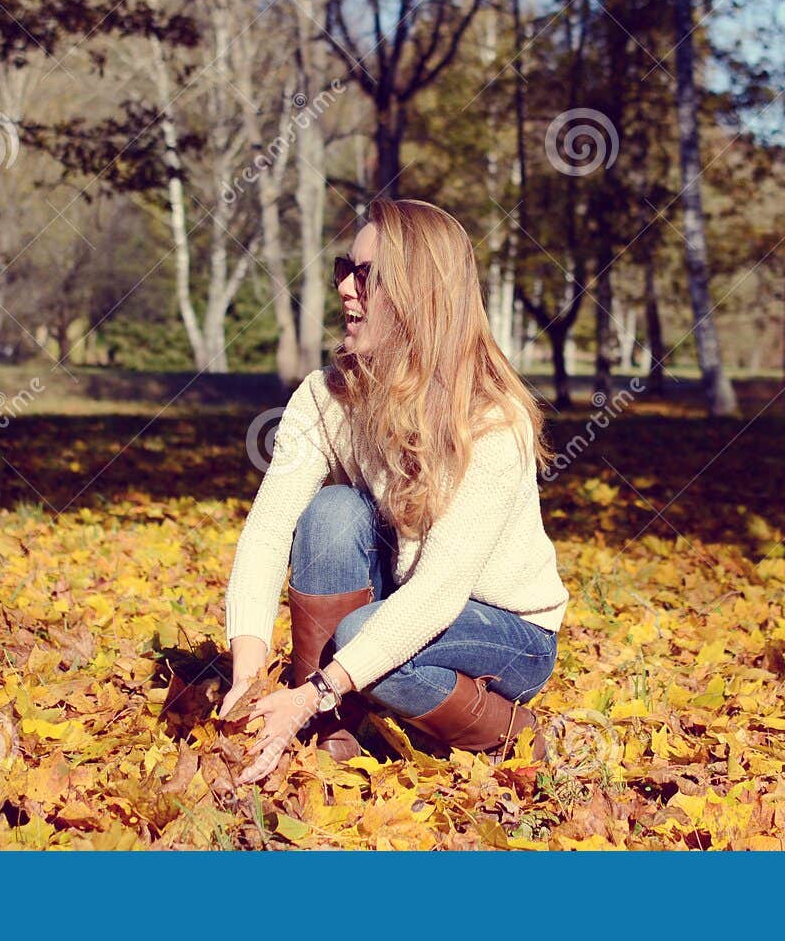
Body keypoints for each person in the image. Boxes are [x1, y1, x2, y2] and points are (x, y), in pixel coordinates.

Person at [218, 197, 570, 785]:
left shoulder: (491, 418)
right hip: (408, 605)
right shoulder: (324, 396)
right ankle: (334, 735)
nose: (346, 290)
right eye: (344, 270)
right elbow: (268, 531)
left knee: (361, 642)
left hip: (508, 632)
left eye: (367, 276)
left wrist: (314, 689)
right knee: (331, 510)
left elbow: (439, 591)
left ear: (420, 293)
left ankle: (516, 733)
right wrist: (247, 675)